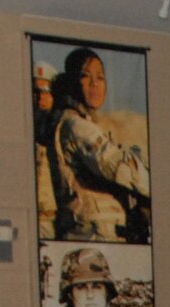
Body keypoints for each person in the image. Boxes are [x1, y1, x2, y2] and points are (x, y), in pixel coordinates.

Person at [46, 47, 150, 241]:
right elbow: (118, 167)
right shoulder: (75, 126)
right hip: (92, 241)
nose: (95, 84)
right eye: (86, 76)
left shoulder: (88, 124)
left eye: (100, 77)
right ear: (72, 81)